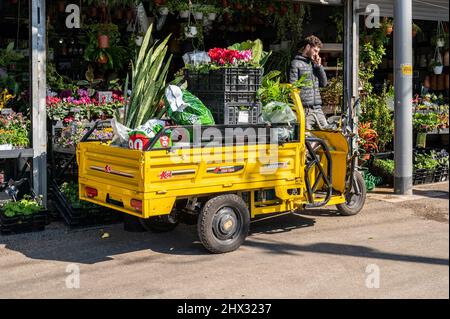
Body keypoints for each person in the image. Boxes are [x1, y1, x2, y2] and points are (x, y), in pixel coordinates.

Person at [289, 35, 329, 130]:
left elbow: (324, 84)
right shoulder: (295, 64)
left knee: (328, 136)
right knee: (306, 139)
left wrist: (319, 66)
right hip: (305, 110)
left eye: (318, 52)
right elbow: (293, 88)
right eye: (315, 51)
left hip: (318, 109)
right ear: (307, 47)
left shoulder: (314, 64)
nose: (316, 54)